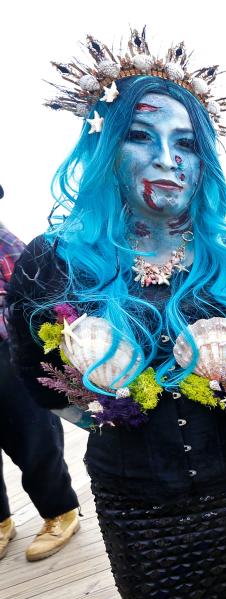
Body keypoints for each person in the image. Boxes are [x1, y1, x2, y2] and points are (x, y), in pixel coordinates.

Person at [6, 31, 226, 599]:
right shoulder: (54, 266)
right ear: (108, 147)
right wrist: (99, 403)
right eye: (143, 136)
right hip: (138, 505)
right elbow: (33, 374)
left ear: (205, 163)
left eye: (187, 144)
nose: (167, 158)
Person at [0, 185, 80, 562]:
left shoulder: (5, 241)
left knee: (32, 435)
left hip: (4, 354)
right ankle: (1, 521)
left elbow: (29, 299)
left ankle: (59, 511)